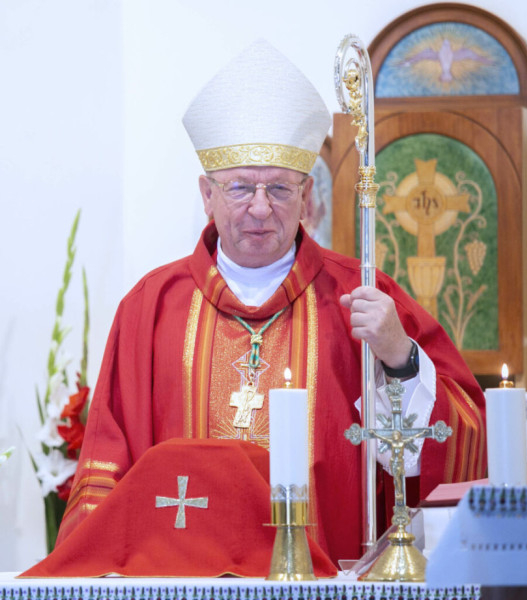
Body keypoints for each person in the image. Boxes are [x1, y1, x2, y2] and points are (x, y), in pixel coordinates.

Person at [56, 40, 486, 566]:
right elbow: (107, 468)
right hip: (182, 579)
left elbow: (461, 441)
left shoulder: (363, 296)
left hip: (323, 578)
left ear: (306, 197)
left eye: (280, 189)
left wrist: (400, 357)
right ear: (206, 194)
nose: (260, 208)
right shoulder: (150, 309)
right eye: (240, 187)